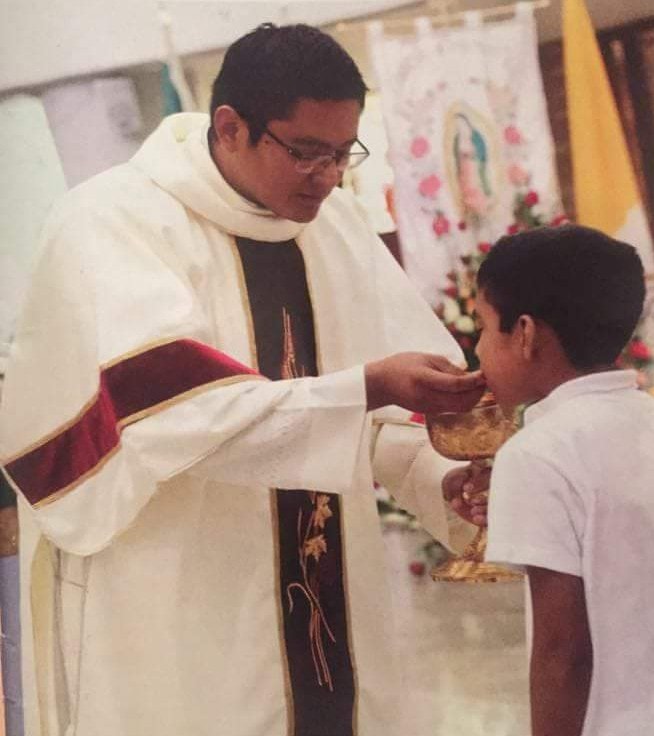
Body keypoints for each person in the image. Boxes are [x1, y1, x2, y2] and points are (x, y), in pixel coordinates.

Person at [0, 23, 487, 736]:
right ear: (230, 126)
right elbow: (173, 417)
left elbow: (385, 411)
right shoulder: (113, 221)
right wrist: (365, 388)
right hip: (181, 594)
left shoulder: (337, 227)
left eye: (342, 152)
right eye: (306, 153)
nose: (329, 176)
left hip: (329, 599)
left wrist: (434, 475)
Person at [479, 225, 653, 736]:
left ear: (526, 334)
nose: (481, 351)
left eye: (485, 328)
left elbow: (562, 653)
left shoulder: (537, 453)